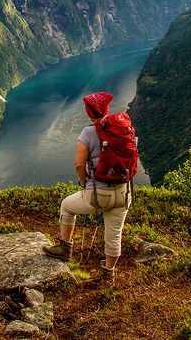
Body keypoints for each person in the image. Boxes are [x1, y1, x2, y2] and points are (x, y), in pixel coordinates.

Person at [42, 92, 132, 273]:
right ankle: (109, 271)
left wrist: (84, 182)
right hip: (124, 192)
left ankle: (64, 249)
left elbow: (79, 165)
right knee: (114, 234)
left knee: (66, 207)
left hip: (98, 195)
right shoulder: (123, 129)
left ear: (89, 113)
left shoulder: (88, 132)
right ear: (107, 109)